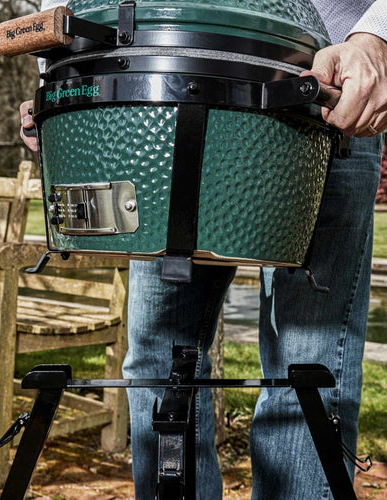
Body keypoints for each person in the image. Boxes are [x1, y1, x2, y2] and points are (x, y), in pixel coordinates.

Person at [20, 1, 387, 498]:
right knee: (158, 362)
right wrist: (61, 76)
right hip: (157, 95)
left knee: (308, 371)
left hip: (329, 97)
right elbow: (58, 17)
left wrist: (377, 38)